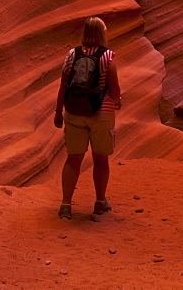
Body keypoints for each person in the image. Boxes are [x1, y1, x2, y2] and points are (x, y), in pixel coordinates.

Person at [53, 16, 121, 219]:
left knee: (73, 159)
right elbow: (114, 86)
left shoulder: (72, 54)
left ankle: (66, 205)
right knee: (100, 159)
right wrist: (117, 100)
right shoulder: (107, 56)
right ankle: (100, 202)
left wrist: (58, 111)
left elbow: (63, 85)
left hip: (74, 112)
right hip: (101, 113)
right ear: (102, 34)